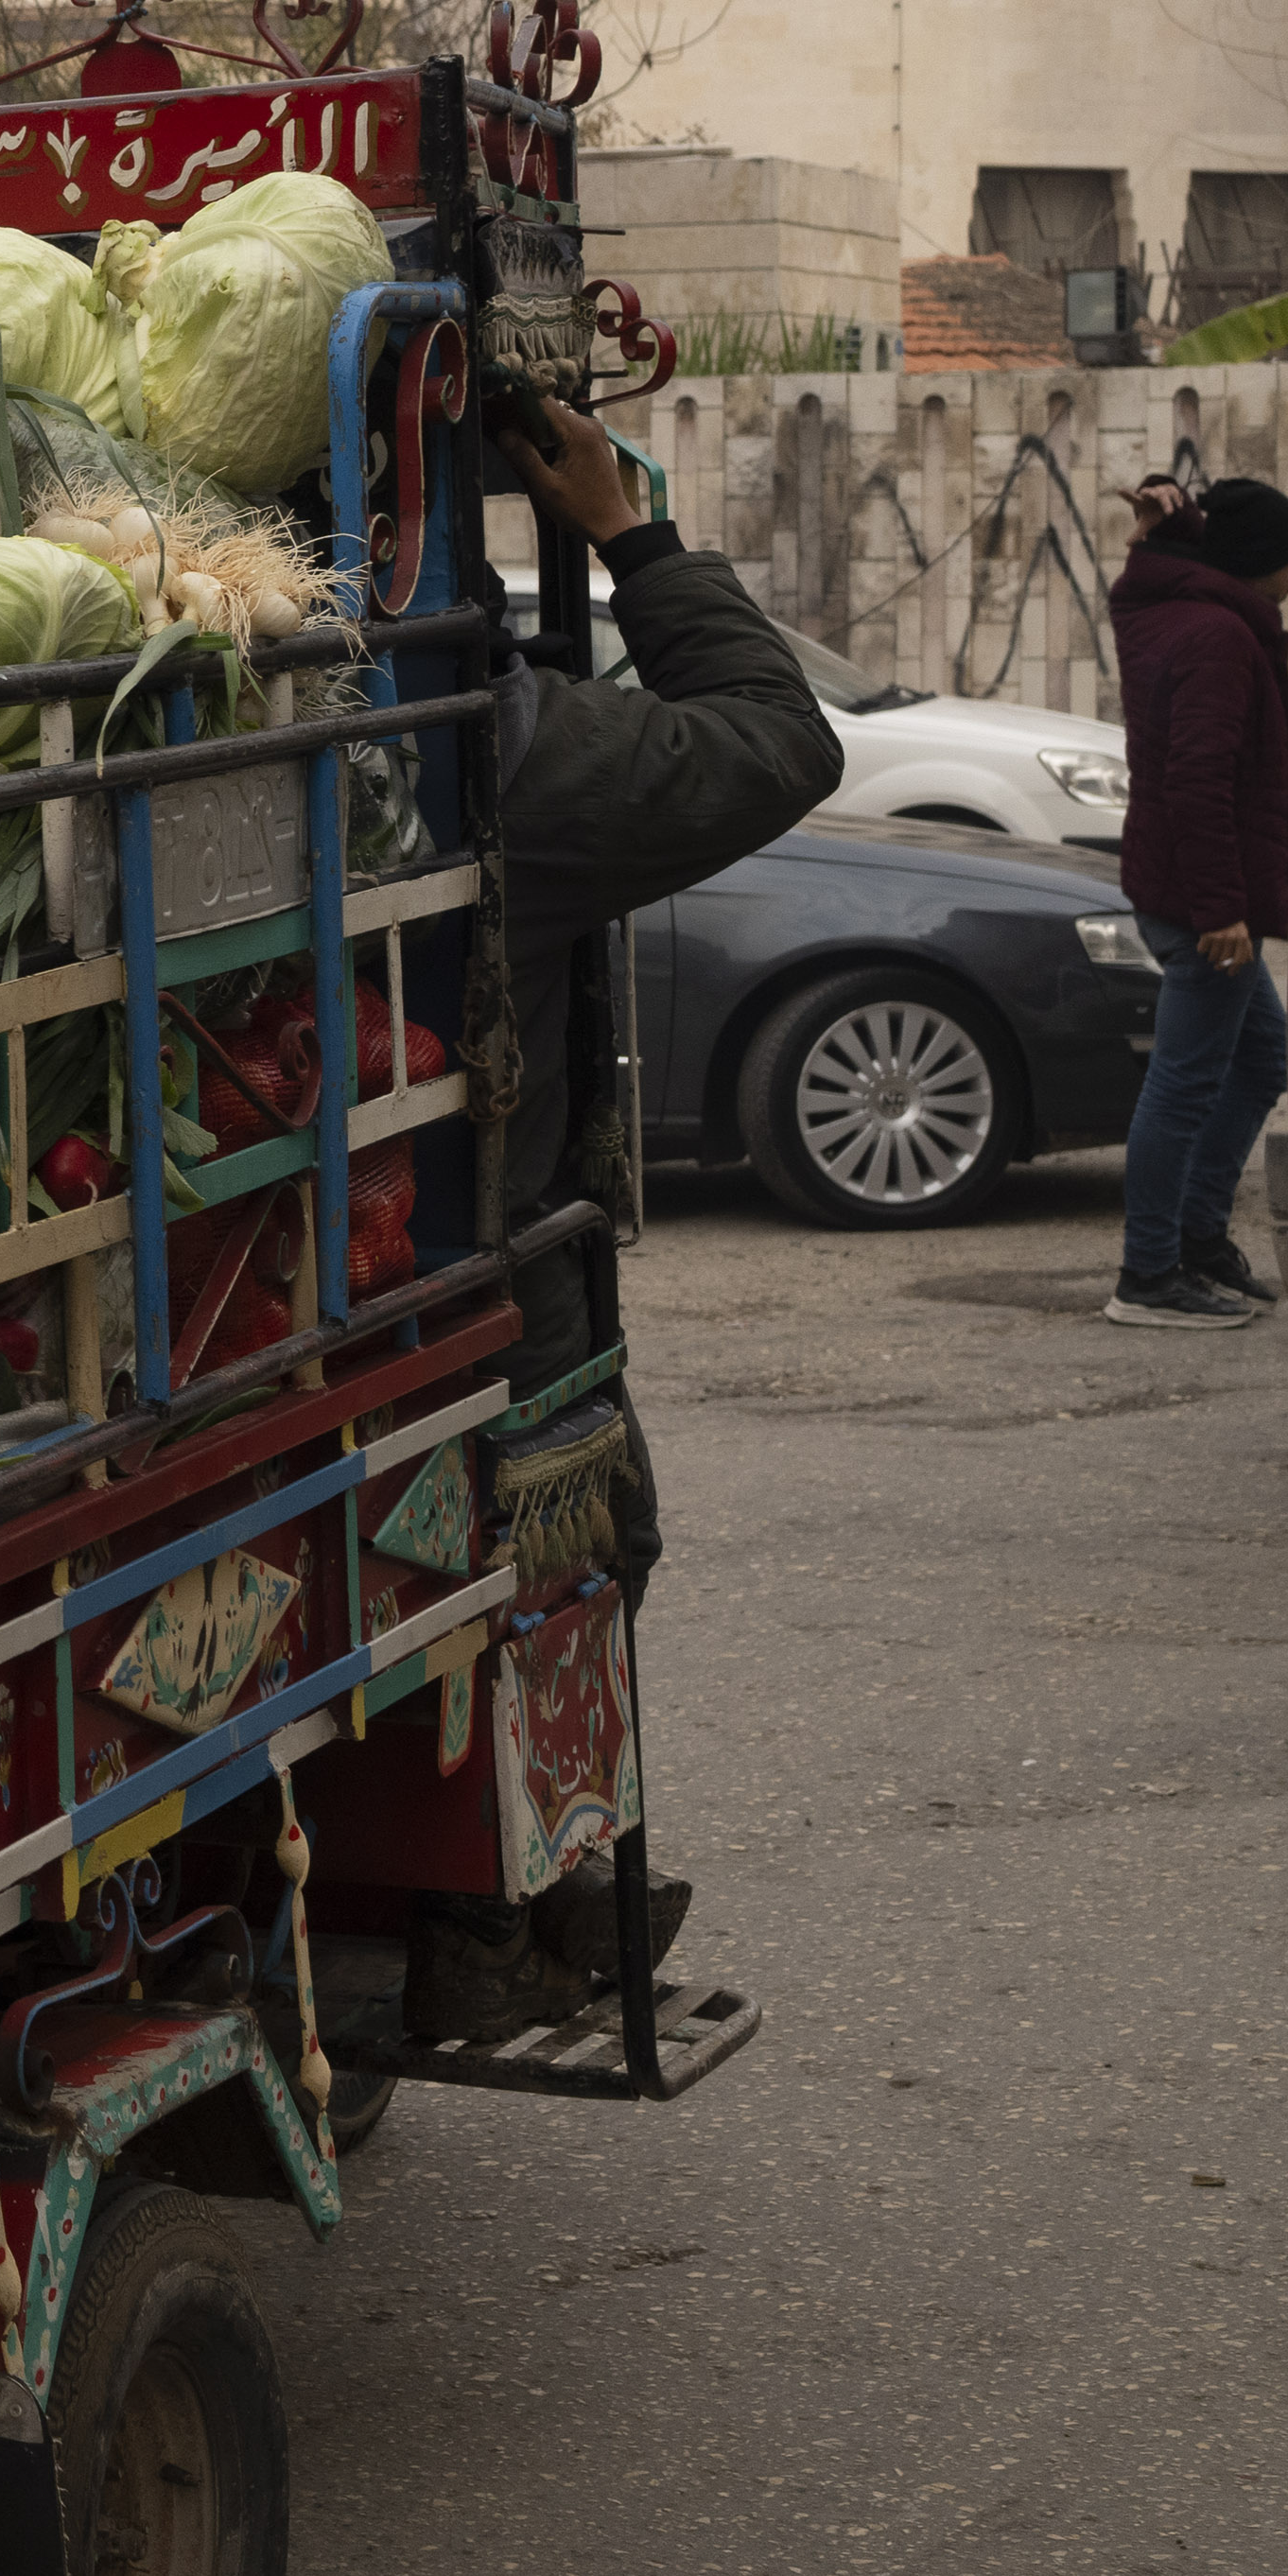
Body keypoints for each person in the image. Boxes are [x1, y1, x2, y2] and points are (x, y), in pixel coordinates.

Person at [402, 384, 842, 2043]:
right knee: (577, 1551)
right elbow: (777, 739)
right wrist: (632, 534)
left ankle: (497, 1897)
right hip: (473, 1276)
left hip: (257, 1268)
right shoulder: (473, 734)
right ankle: (498, 1910)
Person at [1104, 476, 1288, 1328]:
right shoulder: (1222, 637)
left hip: (1184, 890)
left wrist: (1155, 534)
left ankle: (1196, 1240)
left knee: (1264, 1059)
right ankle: (1149, 1275)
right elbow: (1199, 780)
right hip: (1203, 908)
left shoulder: (1170, 608)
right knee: (1184, 1085)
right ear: (1259, 564)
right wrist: (1224, 908)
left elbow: (1147, 578)